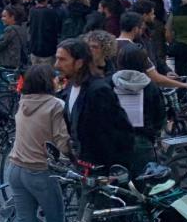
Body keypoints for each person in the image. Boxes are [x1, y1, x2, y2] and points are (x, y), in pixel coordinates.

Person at [9, 64, 69, 222]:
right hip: (41, 171)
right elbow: (62, 140)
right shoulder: (56, 105)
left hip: (16, 169)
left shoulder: (23, 102)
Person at [55, 38, 133, 167]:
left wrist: (114, 169)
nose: (56, 65)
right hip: (82, 165)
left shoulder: (98, 91)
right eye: (57, 59)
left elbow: (119, 132)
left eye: (62, 60)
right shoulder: (70, 88)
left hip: (102, 168)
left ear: (79, 63)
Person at [111, 43, 164, 173]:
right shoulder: (151, 87)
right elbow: (160, 115)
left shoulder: (109, 83)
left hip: (115, 140)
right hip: (143, 140)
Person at [28, 0, 61, 67]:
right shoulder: (51, 12)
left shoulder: (32, 10)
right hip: (47, 50)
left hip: (34, 48)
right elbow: (56, 30)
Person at [0, 4, 28, 69]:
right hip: (18, 63)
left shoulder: (10, 29)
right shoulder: (21, 28)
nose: (2, 19)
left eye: (4, 16)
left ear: (12, 17)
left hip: (8, 64)